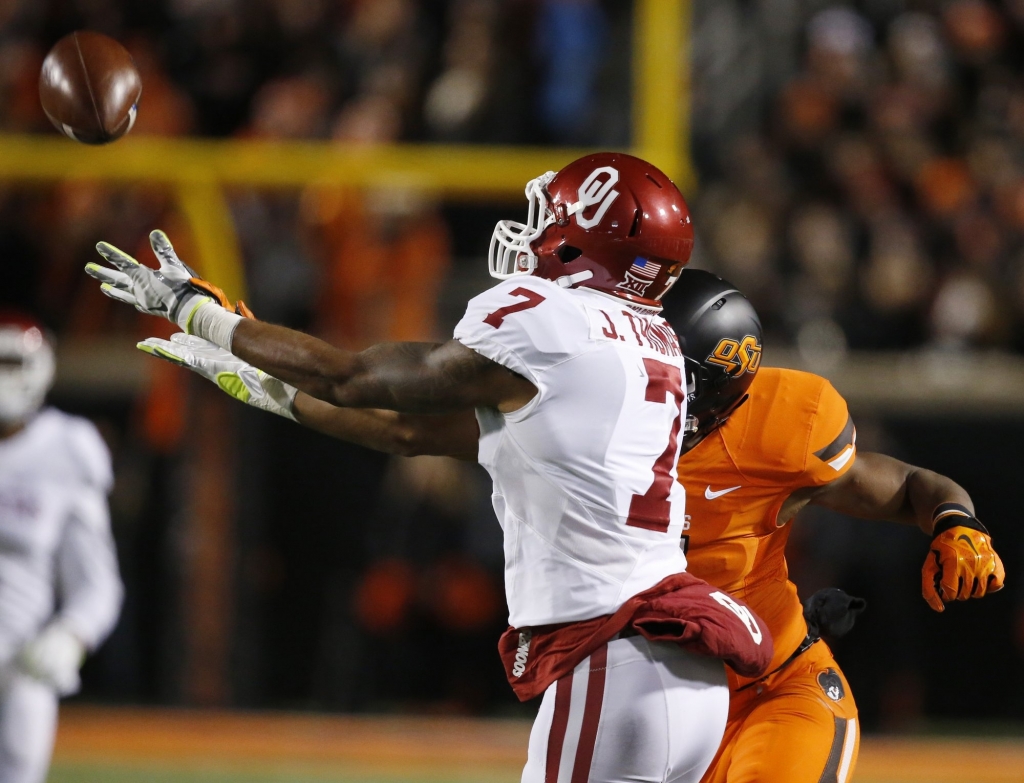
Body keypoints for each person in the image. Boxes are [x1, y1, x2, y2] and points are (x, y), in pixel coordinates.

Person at [131, 259, 1005, 783]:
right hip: (661, 678)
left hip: (773, 685)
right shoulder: (594, 404)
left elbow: (905, 484)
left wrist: (956, 520)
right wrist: (266, 382)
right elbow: (401, 425)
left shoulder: (783, 423)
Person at [86, 153, 773, 783]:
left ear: (591, 232)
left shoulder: (550, 318)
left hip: (616, 656)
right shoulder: (652, 340)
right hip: (683, 674)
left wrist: (196, 310)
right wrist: (265, 385)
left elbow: (356, 379)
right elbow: (414, 432)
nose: (538, 231)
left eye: (555, 217)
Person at [0, 314, 124, 783]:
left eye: (10, 362)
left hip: (20, 663)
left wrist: (70, 636)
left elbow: (97, 584)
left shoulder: (65, 449)